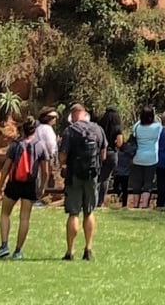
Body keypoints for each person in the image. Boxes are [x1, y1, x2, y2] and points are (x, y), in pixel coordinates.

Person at [0, 111, 58, 260]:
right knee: (24, 218)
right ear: (34, 130)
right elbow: (45, 171)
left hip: (14, 184)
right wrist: (42, 187)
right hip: (30, 185)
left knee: (5, 214)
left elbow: (6, 167)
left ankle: (4, 246)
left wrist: (0, 185)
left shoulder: (15, 145)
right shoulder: (40, 146)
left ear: (22, 129)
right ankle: (18, 251)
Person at [59, 102, 107, 261]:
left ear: (72, 115)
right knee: (89, 211)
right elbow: (103, 155)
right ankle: (88, 249)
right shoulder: (98, 129)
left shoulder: (69, 131)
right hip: (92, 176)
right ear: (85, 113)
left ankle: (70, 251)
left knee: (74, 213)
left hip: (74, 176)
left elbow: (62, 157)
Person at [128, 107, 164, 210]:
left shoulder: (137, 127)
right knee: (148, 183)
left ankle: (135, 204)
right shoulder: (157, 127)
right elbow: (161, 126)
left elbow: (134, 129)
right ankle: (144, 205)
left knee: (137, 183)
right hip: (151, 158)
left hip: (138, 157)